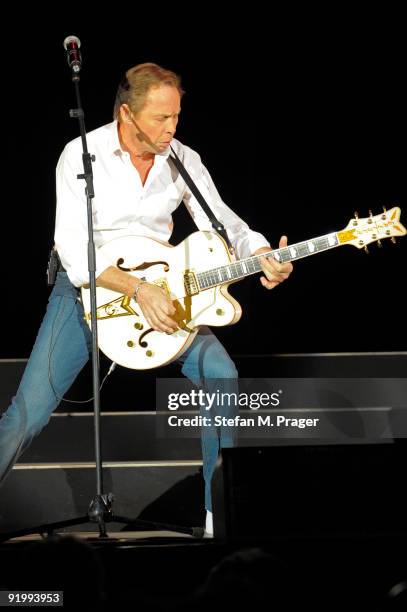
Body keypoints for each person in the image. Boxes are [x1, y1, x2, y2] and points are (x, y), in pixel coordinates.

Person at [0, 63, 293, 536]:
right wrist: (137, 288)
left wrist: (260, 254)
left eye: (176, 116)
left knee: (220, 373)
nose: (171, 128)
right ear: (126, 114)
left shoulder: (182, 158)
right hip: (90, 294)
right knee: (28, 414)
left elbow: (225, 223)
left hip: (167, 290)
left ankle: (219, 520)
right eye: (161, 118)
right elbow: (75, 253)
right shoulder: (81, 154)